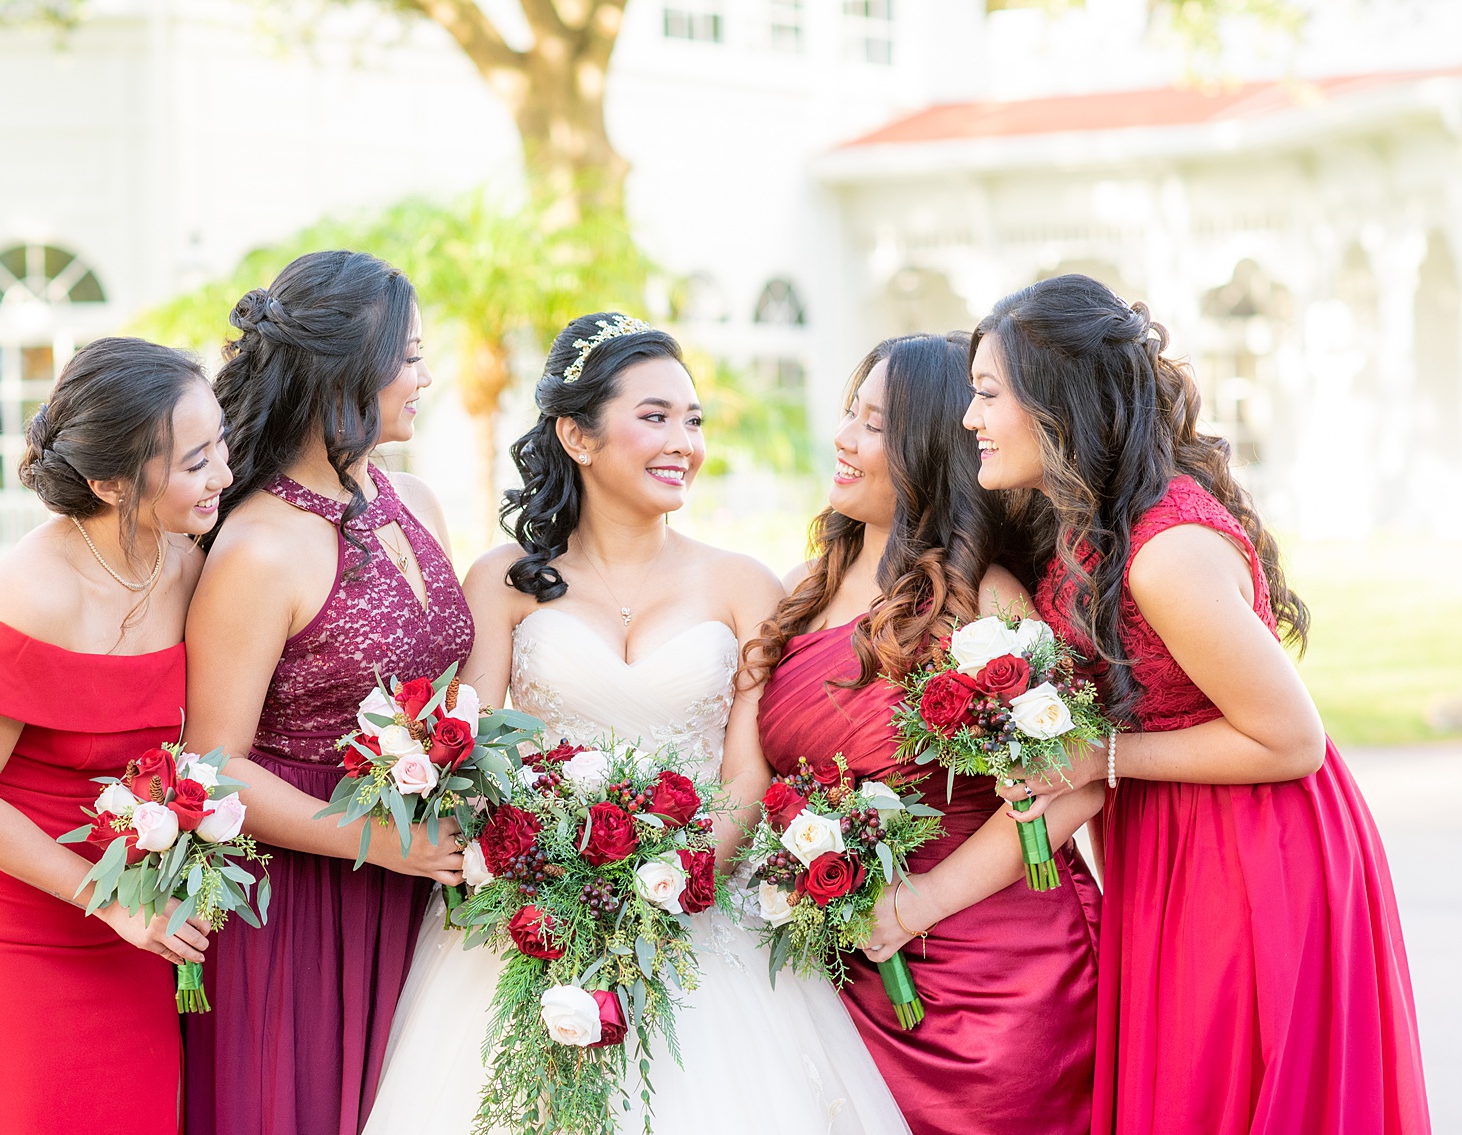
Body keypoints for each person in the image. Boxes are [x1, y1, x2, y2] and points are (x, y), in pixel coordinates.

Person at [363, 314, 910, 1134]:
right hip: (535, 912)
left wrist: (673, 882)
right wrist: (558, 883)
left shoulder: (743, 584)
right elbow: (476, 754)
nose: (682, 441)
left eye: (692, 420)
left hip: (702, 917)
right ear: (576, 435)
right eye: (654, 416)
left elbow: (748, 771)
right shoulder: (504, 581)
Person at [973, 275, 1430, 1135]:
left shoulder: (1165, 550)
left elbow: (1293, 738)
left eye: (988, 393)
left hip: (1252, 847)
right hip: (1171, 841)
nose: (971, 418)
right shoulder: (1079, 526)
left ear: (1056, 400)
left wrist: (1103, 756)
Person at [751, 333, 1104, 1135]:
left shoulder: (987, 603)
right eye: (849, 412)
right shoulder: (801, 592)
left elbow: (1073, 784)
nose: (843, 437)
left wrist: (915, 905)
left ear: (930, 447)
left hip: (1000, 982)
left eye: (874, 424)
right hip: (845, 977)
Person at [0, 338, 229, 1134]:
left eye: (221, 444)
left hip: (133, 934)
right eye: (194, 461)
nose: (222, 473)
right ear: (111, 482)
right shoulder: (33, 590)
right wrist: (109, 899)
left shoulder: (191, 561)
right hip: (0, 926)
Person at [180, 250, 469, 1135]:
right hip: (301, 906)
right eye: (409, 356)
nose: (426, 376)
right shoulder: (259, 545)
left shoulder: (413, 496)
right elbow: (212, 763)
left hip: (425, 890)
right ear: (349, 368)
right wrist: (378, 841)